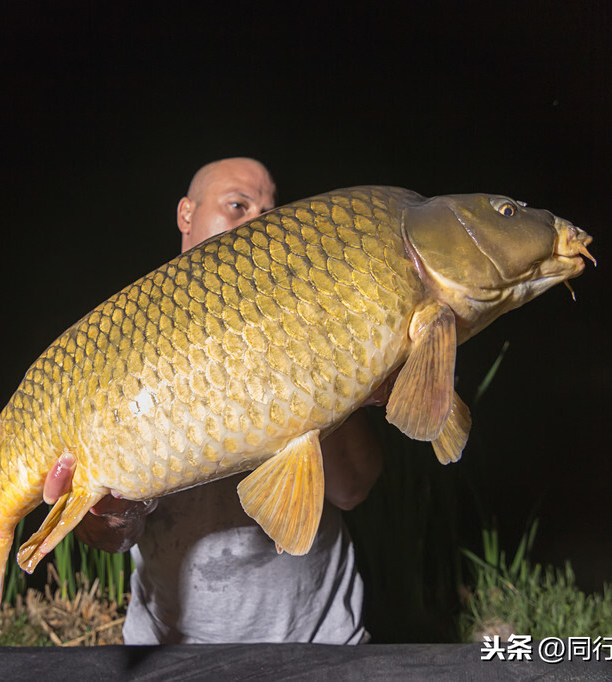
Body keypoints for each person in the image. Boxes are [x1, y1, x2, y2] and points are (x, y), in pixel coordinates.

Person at [42, 157, 383, 644]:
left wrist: (323, 366)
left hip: (319, 635)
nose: (259, 224)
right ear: (186, 214)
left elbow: (353, 489)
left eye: (269, 211)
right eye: (237, 206)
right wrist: (107, 512)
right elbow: (109, 540)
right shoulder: (122, 340)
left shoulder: (307, 313)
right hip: (174, 646)